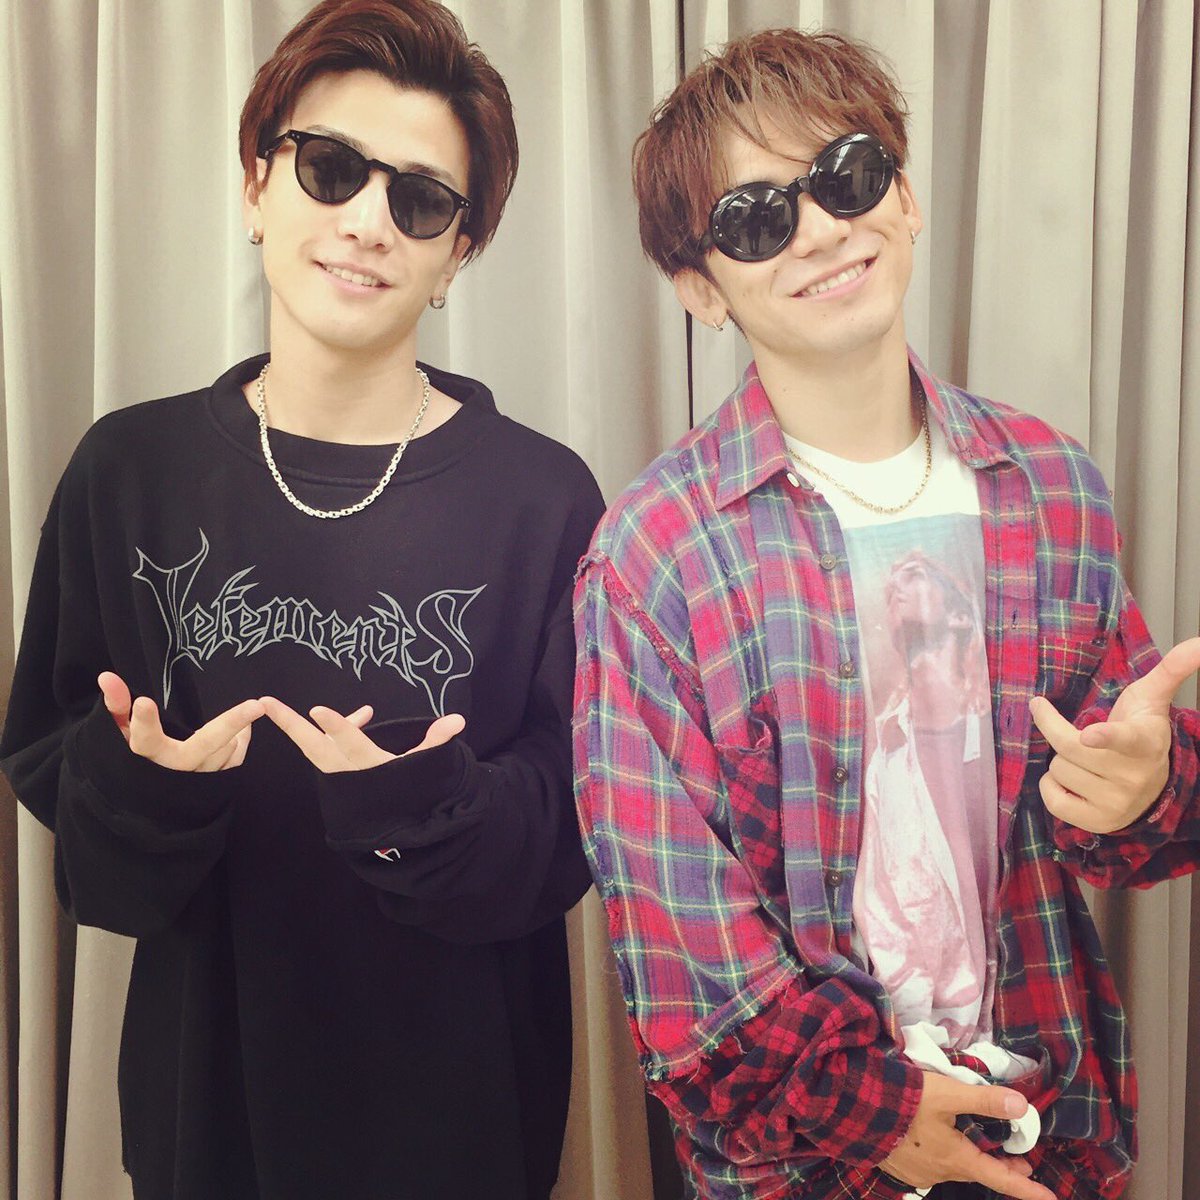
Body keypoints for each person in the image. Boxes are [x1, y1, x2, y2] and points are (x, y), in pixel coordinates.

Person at [572, 27, 1199, 1200]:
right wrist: (876, 1114)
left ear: (904, 199)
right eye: (755, 218)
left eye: (847, 176)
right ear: (699, 287)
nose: (819, 228)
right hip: (810, 1163)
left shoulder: (1052, 486)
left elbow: (1128, 819)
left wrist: (1148, 787)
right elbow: (677, 935)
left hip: (1047, 1124)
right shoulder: (654, 556)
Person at [1, 2, 603, 1197]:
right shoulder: (130, 472)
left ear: (457, 254)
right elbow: (74, 819)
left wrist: (426, 807)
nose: (368, 221)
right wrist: (147, 785)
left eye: (420, 200)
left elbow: (577, 830)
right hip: (204, 1109)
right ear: (256, 187)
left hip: (464, 1118)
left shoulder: (544, 499)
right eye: (331, 169)